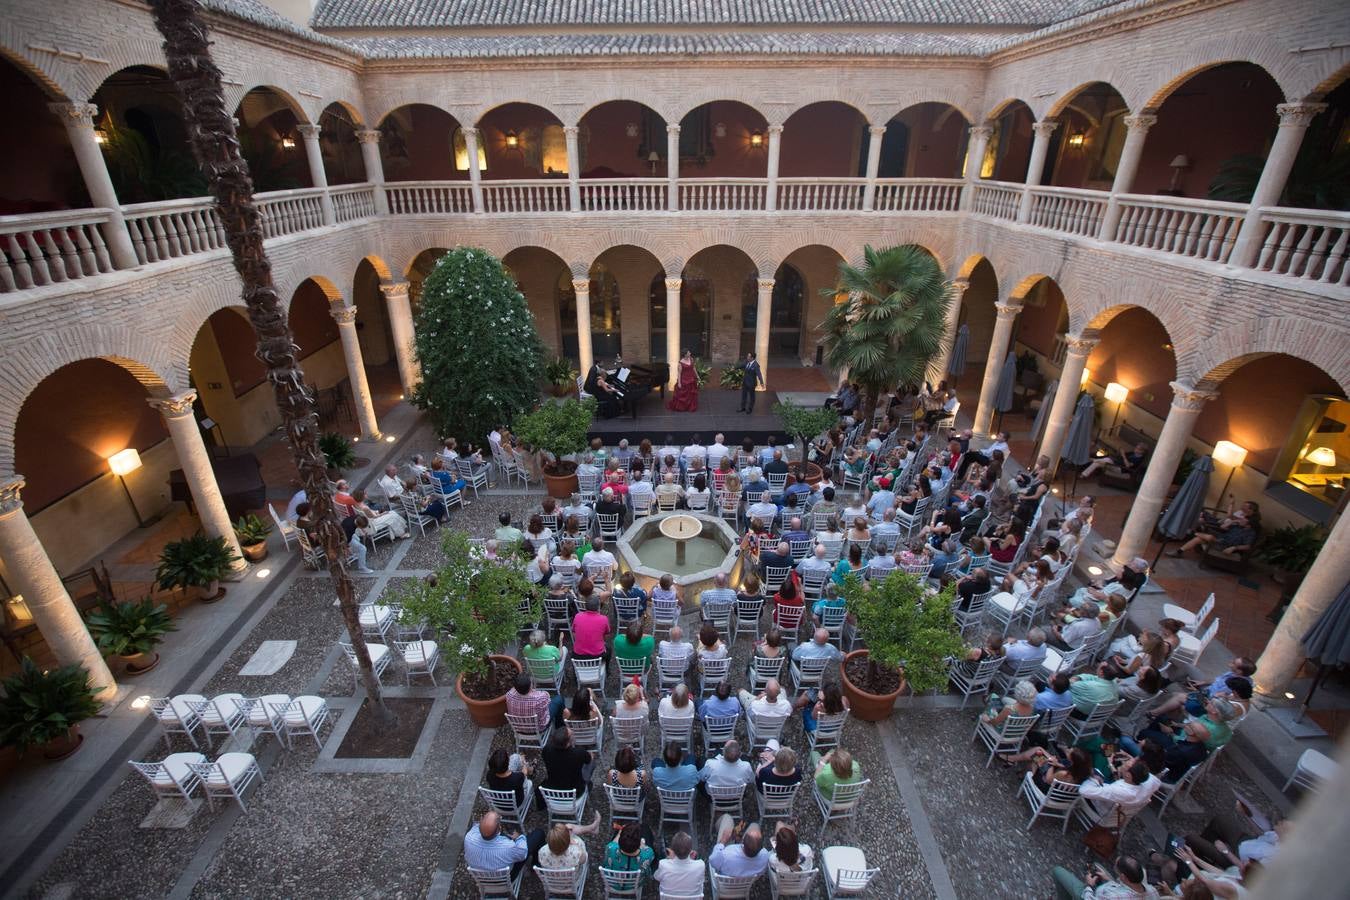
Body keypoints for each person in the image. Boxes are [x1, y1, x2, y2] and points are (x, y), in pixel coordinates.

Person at [463, 811, 545, 881]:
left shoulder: (469, 837)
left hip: (482, 878)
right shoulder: (509, 847)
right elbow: (523, 853)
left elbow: (476, 827)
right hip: (505, 879)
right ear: (499, 828)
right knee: (539, 833)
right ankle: (536, 864)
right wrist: (519, 838)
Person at [1051, 855, 1157, 900]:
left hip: (1089, 895)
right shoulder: (1153, 892)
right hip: (1108, 889)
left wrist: (1089, 885)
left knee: (1057, 871)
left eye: (1116, 868)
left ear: (1123, 877)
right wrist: (1109, 880)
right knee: (1097, 868)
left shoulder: (1114, 897)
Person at [535, 814, 603, 874]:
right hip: (572, 883)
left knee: (567, 828)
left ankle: (592, 828)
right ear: (568, 842)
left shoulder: (542, 851)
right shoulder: (576, 853)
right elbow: (584, 859)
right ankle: (592, 828)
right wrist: (575, 844)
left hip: (553, 883)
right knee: (569, 827)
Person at [541, 726, 595, 798]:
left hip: (553, 788)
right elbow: (588, 760)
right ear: (568, 742)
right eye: (572, 735)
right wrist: (591, 756)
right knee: (592, 762)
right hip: (575, 792)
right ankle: (587, 783)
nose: (573, 735)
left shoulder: (546, 749)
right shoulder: (579, 752)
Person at [571, 595, 611, 662]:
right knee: (609, 649)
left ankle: (575, 671)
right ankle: (607, 669)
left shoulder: (577, 616)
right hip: (598, 655)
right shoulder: (604, 619)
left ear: (585, 606)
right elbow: (606, 635)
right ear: (598, 607)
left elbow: (574, 633)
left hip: (578, 655)